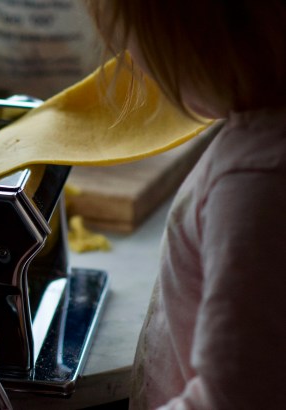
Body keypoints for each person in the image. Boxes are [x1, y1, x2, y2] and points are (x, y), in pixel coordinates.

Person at [84, 1, 286, 409]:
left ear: (204, 38)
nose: (133, 60)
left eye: (132, 40)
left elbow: (236, 397)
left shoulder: (256, 183)